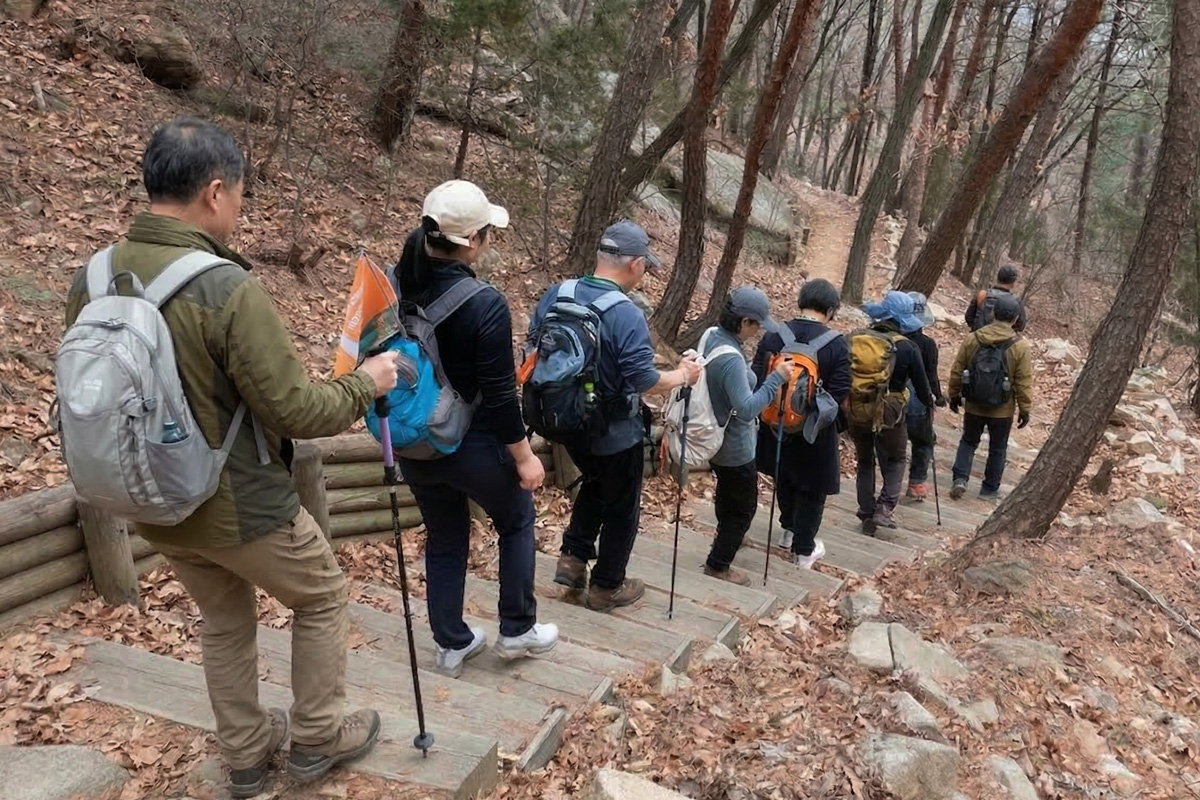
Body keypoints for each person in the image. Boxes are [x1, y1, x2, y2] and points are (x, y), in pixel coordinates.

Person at [64, 117, 398, 797]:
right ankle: (318, 738)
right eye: (241, 195)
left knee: (223, 618)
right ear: (215, 192)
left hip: (148, 499)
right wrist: (370, 381)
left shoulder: (93, 275)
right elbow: (297, 412)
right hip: (241, 503)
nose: (241, 210)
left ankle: (246, 756)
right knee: (323, 599)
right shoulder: (224, 288)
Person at [390, 180, 558, 677]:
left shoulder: (396, 283)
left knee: (444, 534)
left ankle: (451, 642)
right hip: (474, 442)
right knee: (516, 520)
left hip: (414, 438)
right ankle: (517, 629)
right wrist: (525, 457)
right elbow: (502, 396)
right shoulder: (484, 303)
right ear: (475, 240)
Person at [532, 220, 701, 612]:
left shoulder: (559, 293)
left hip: (564, 419)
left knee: (594, 481)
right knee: (623, 506)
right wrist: (683, 375)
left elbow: (532, 348)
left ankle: (572, 562)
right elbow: (643, 379)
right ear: (636, 265)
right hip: (613, 427)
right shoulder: (626, 313)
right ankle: (607, 585)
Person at [752, 279, 851, 568]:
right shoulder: (835, 344)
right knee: (812, 487)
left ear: (801, 302)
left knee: (784, 474)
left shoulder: (774, 336)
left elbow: (758, 375)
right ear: (830, 310)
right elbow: (841, 388)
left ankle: (788, 529)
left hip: (775, 422)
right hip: (814, 428)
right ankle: (804, 549)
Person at [699, 288, 794, 585]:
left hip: (714, 436)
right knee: (743, 507)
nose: (758, 330)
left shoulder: (712, 335)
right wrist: (776, 377)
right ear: (743, 322)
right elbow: (748, 408)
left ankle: (727, 539)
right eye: (756, 324)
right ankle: (719, 563)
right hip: (734, 446)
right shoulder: (731, 360)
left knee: (728, 495)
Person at [849, 290, 934, 534]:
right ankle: (884, 508)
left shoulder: (854, 338)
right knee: (897, 458)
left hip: (857, 407)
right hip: (891, 413)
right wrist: (930, 406)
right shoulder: (907, 348)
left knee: (865, 461)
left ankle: (866, 511)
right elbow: (922, 388)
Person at [946, 293, 1033, 500]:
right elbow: (1023, 381)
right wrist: (1025, 409)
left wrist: (954, 394)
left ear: (993, 313)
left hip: (974, 403)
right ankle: (989, 489)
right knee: (998, 448)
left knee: (968, 441)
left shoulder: (973, 338)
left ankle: (960, 479)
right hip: (1002, 409)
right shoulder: (1020, 346)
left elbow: (957, 369)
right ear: (1016, 319)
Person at [901, 292, 947, 500]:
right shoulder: (928, 345)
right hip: (918, 403)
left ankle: (888, 484)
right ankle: (916, 482)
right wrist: (938, 397)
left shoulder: (894, 338)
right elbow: (931, 376)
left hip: (890, 402)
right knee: (925, 441)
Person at [966, 263, 1028, 332]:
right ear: (1013, 282)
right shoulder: (1017, 302)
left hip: (978, 339)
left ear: (998, 277)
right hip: (1002, 341)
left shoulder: (983, 294)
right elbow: (1021, 326)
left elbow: (969, 317)